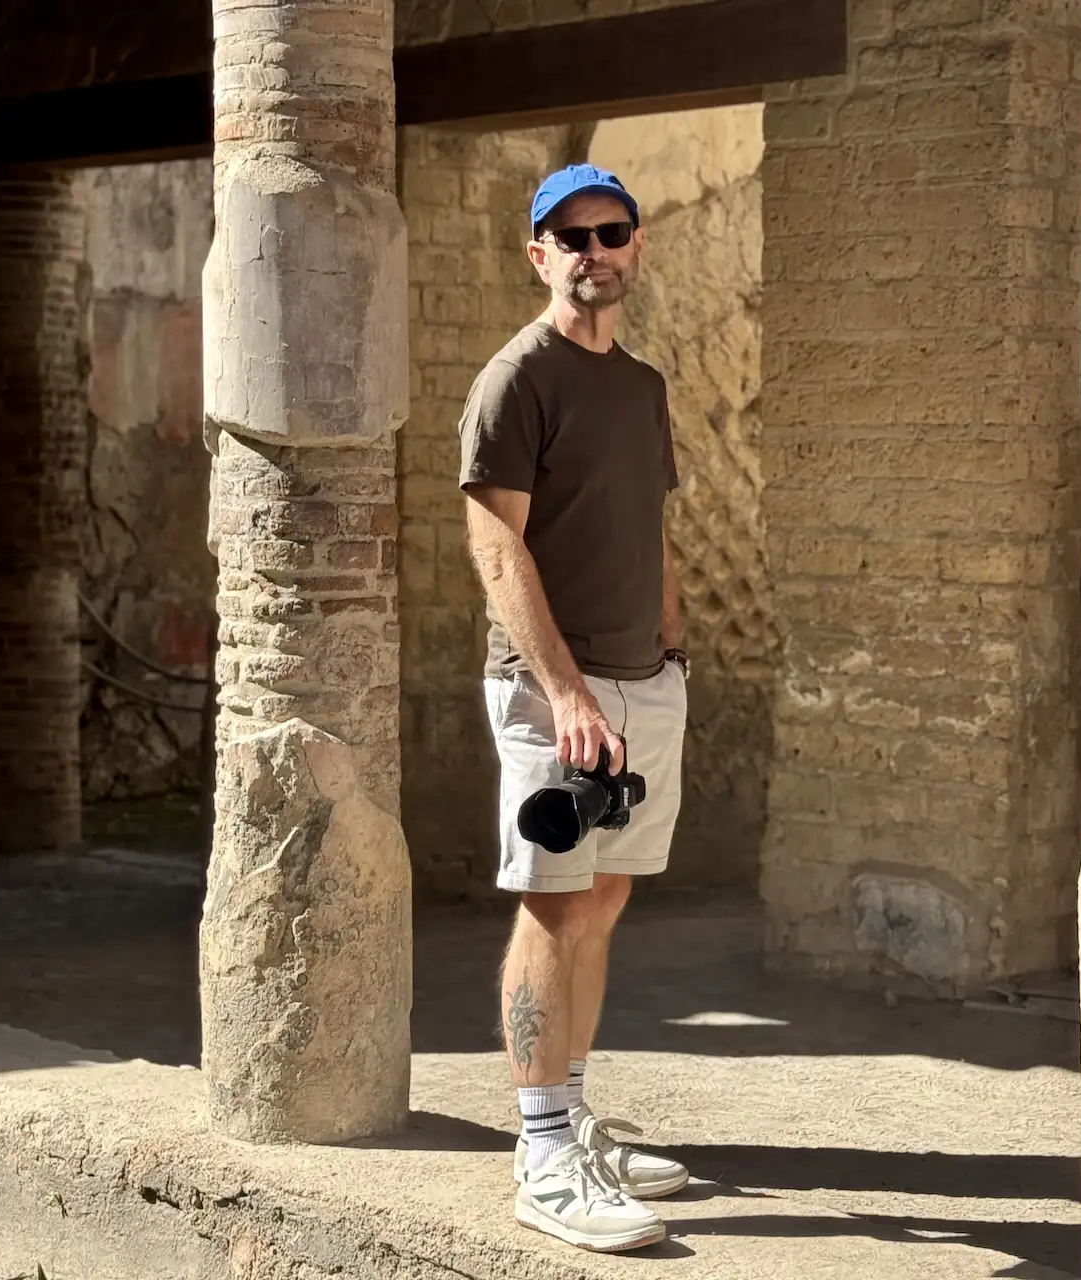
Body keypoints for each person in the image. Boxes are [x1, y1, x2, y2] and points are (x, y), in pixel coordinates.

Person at [457, 163, 690, 1253]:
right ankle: (540, 1154)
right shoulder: (517, 378)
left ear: (634, 247)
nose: (593, 251)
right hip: (556, 692)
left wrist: (671, 651)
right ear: (537, 253)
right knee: (552, 904)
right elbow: (493, 542)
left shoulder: (639, 385)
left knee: (600, 901)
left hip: (644, 682)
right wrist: (565, 692)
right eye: (571, 237)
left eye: (611, 233)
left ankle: (574, 1115)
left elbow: (650, 527)